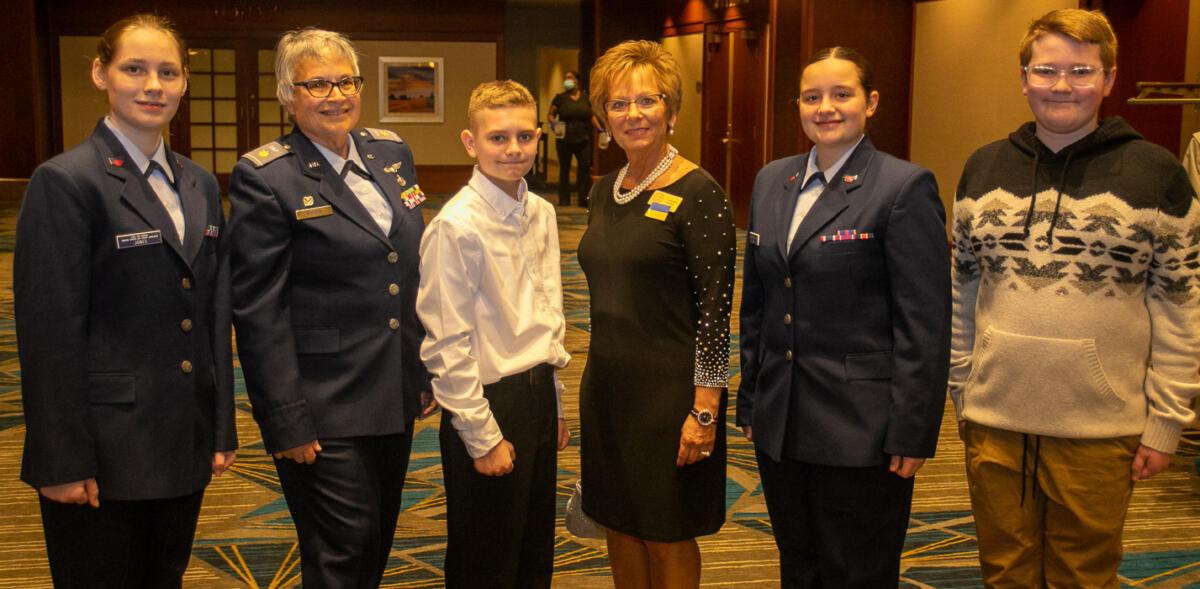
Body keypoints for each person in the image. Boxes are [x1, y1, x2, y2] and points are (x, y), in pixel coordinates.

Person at [950, 9, 1200, 588]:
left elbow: (1181, 309)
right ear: (1023, 77)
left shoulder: (1156, 173)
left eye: (1082, 70)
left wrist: (1167, 421)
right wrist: (961, 388)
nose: (1062, 86)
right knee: (1003, 573)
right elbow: (961, 292)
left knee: (1082, 577)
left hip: (1100, 428)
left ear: (1109, 79)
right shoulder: (982, 167)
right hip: (995, 421)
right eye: (1047, 70)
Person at [14, 14, 237, 587]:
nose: (152, 85)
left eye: (167, 71)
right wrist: (60, 460)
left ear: (185, 81)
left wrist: (219, 428)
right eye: (134, 69)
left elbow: (212, 312)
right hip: (102, 452)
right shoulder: (66, 182)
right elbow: (49, 334)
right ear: (100, 73)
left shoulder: (200, 183)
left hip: (181, 441)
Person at [227, 28, 435, 588]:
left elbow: (408, 270)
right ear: (287, 96)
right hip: (322, 403)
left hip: (392, 390)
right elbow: (257, 309)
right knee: (340, 552)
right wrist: (284, 418)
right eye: (316, 83)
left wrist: (423, 369)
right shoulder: (267, 177)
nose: (335, 94)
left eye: (345, 80)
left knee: (375, 543)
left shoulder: (390, 153)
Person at [737, 46, 951, 587]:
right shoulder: (772, 181)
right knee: (798, 562)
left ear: (871, 103)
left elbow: (923, 322)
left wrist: (913, 428)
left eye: (841, 94)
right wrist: (750, 397)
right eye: (812, 97)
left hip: (861, 426)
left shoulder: (903, 187)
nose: (825, 108)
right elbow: (759, 300)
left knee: (855, 570)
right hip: (782, 417)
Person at [578, 40, 736, 587]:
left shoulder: (700, 194)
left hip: (670, 397)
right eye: (619, 104)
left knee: (665, 530)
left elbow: (717, 313)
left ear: (671, 110)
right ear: (603, 116)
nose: (633, 115)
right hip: (605, 389)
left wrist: (706, 410)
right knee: (618, 523)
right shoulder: (604, 191)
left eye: (648, 101)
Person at [416, 80, 571, 588]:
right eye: (497, 138)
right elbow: (445, 343)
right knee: (486, 558)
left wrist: (555, 402)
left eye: (524, 137)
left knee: (532, 552)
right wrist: (481, 437)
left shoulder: (542, 213)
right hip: (486, 403)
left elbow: (546, 313)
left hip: (537, 397)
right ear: (470, 142)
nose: (514, 150)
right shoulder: (456, 227)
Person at [548, 70, 600, 207]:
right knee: (564, 169)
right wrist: (553, 123)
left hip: (583, 139)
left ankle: (583, 198)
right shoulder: (560, 98)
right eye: (566, 78)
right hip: (564, 139)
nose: (567, 80)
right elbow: (551, 115)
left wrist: (600, 128)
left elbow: (592, 116)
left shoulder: (585, 98)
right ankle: (564, 199)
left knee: (584, 168)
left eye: (570, 78)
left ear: (577, 80)